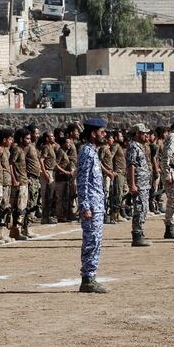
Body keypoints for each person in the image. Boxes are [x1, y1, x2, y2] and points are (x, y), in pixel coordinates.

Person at [77, 118, 109, 293]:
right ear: (93, 133)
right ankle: (88, 279)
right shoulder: (87, 153)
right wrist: (85, 206)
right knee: (92, 241)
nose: (104, 135)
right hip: (91, 206)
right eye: (101, 132)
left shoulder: (93, 152)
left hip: (97, 204)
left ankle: (90, 276)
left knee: (96, 241)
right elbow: (82, 181)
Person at [126, 124, 152, 247]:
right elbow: (131, 166)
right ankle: (137, 236)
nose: (146, 135)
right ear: (137, 134)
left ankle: (140, 233)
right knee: (140, 209)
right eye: (143, 133)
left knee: (144, 208)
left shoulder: (139, 146)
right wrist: (132, 184)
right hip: (139, 184)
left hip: (144, 183)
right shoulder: (133, 147)